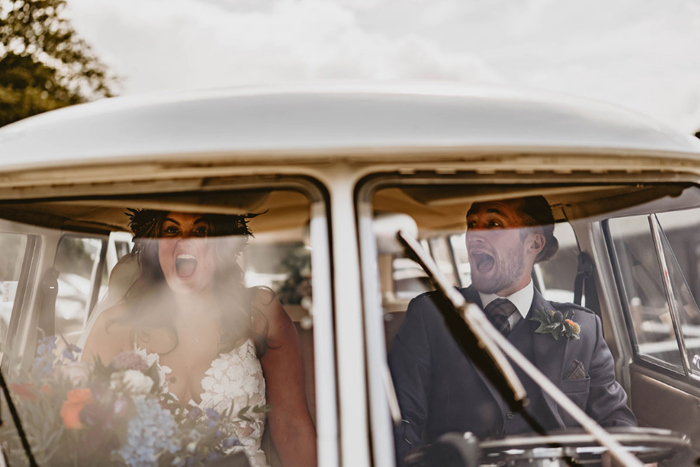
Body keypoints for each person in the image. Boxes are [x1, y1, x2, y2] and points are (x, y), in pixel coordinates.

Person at [388, 196, 637, 465]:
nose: (474, 236)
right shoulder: (430, 316)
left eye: (494, 223)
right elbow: (402, 419)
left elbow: (615, 422)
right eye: (472, 224)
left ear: (534, 243)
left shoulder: (583, 328)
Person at [82, 209, 317, 467]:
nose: (184, 241)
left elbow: (293, 430)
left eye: (200, 230)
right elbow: (90, 437)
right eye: (171, 230)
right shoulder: (116, 326)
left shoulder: (261, 313)